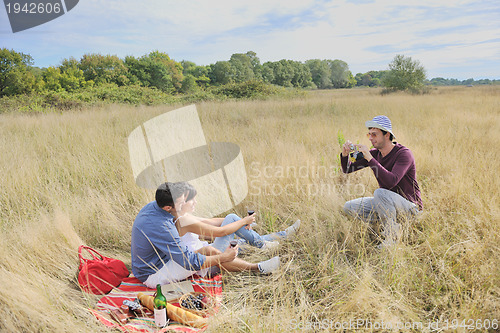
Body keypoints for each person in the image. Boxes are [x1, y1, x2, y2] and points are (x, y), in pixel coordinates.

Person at [131, 182, 281, 288]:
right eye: (182, 202)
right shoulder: (162, 226)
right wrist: (223, 258)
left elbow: (206, 224)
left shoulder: (158, 206)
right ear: (169, 207)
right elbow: (188, 261)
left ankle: (276, 237)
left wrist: (240, 221)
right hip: (154, 273)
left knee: (218, 246)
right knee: (210, 251)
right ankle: (258, 268)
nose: (185, 204)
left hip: (164, 258)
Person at [340, 115, 422, 247]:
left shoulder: (403, 154)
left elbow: (390, 182)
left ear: (387, 135)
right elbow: (347, 169)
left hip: (410, 208)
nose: (370, 138)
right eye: (369, 134)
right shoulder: (375, 153)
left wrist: (370, 158)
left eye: (374, 134)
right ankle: (389, 225)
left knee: (380, 193)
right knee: (349, 207)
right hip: (388, 205)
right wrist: (345, 155)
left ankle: (392, 238)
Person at [174, 182, 301, 253]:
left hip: (207, 251)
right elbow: (220, 232)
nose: (195, 202)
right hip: (207, 259)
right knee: (232, 218)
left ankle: (284, 234)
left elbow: (210, 221)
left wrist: (240, 223)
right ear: (181, 202)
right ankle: (263, 245)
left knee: (245, 241)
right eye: (192, 200)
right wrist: (243, 222)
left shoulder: (183, 215)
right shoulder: (183, 220)